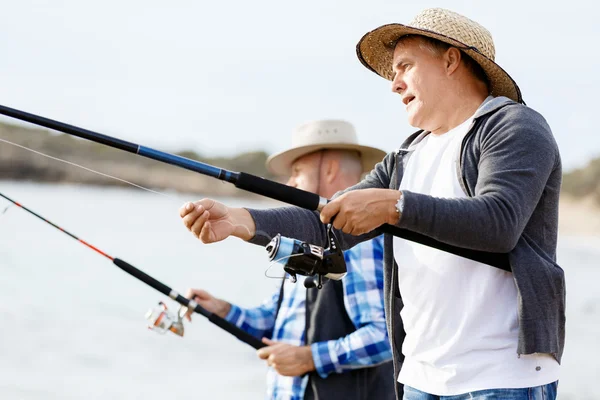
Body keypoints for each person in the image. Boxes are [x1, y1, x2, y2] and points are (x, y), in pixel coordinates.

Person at [180, 8, 565, 400]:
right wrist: (240, 220)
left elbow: (498, 224)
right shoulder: (406, 154)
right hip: (419, 377)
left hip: (501, 376)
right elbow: (329, 221)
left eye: (405, 66)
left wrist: (394, 206)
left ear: (451, 59)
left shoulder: (515, 126)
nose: (394, 84)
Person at [185, 120, 394, 400]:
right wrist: (221, 310)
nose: (289, 183)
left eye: (297, 172)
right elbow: (277, 321)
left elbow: (385, 336)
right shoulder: (309, 240)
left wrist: (309, 358)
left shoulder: (359, 242)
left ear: (330, 169)